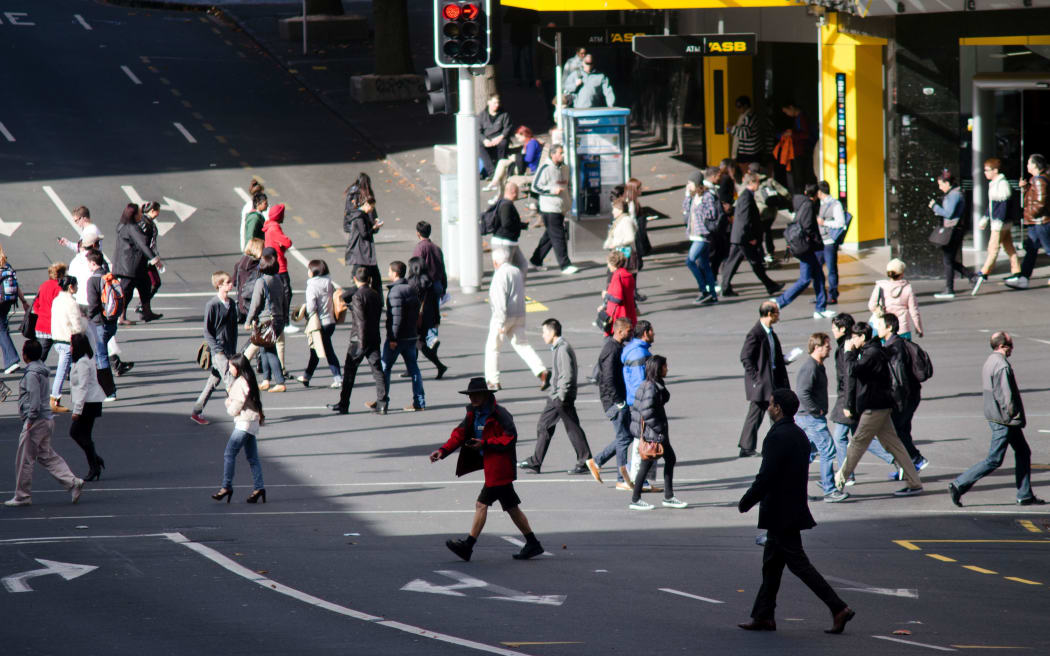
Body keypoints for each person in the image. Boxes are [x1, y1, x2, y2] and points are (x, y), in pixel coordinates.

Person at [737, 389, 855, 634]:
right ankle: (763, 616)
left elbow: (766, 476)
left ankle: (838, 608)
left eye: (771, 404)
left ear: (778, 408)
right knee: (771, 566)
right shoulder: (798, 434)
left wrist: (747, 501)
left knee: (799, 565)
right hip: (791, 509)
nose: (768, 407)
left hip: (781, 513)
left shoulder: (777, 436)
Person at [430, 377, 545, 562]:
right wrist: (442, 451)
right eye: (470, 395)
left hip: (500, 467)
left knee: (481, 504)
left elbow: (510, 438)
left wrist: (485, 443)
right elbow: (459, 434)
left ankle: (468, 546)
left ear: (485, 394)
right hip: (492, 467)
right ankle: (533, 543)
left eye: (476, 395)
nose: (473, 398)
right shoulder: (472, 413)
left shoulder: (500, 414)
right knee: (511, 507)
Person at [949, 332, 1044, 506]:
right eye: (1011, 345)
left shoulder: (990, 361)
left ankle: (1025, 494)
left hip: (997, 416)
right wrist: (1014, 414)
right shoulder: (1002, 366)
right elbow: (1006, 398)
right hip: (1004, 419)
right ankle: (959, 484)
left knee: (1023, 451)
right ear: (1002, 346)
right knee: (994, 459)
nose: (1012, 349)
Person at [833, 322, 922, 495]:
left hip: (874, 407)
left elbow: (851, 370)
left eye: (854, 337)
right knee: (894, 445)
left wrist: (848, 352)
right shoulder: (872, 351)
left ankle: (838, 482)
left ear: (862, 337)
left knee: (857, 443)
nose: (851, 340)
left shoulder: (872, 353)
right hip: (880, 405)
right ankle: (914, 482)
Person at [4, 340, 84, 507]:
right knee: (46, 456)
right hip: (46, 419)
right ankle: (72, 481)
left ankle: (22, 495)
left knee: (24, 459)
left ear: (25, 356)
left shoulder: (32, 375)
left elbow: (33, 401)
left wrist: (29, 421)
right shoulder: (41, 370)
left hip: (36, 422)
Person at [517, 319, 599, 480]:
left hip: (561, 396)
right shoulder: (557, 347)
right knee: (544, 425)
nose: (542, 336)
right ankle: (536, 461)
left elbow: (567, 375)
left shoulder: (562, 349)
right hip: (555, 395)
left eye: (544, 332)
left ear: (553, 332)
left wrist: (560, 395)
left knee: (572, 428)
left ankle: (584, 462)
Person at [828, 313, 895, 484]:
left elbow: (849, 377)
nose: (832, 331)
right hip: (855, 397)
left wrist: (848, 403)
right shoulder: (851, 346)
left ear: (843, 329)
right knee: (861, 436)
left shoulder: (847, 348)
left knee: (841, 437)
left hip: (849, 397)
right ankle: (897, 461)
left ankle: (846, 475)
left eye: (835, 328)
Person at [627, 356, 687, 510]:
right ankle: (636, 499)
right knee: (645, 465)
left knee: (670, 459)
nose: (667, 369)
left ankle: (668, 496)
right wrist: (659, 429)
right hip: (653, 434)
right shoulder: (651, 387)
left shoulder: (651, 385)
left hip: (654, 433)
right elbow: (647, 412)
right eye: (665, 366)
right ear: (658, 369)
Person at [484, 248, 548, 391]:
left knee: (493, 348)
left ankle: (493, 380)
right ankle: (541, 371)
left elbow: (499, 300)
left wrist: (500, 322)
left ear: (495, 262)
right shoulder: (516, 271)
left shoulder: (499, 275)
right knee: (522, 344)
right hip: (519, 314)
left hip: (503, 317)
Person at [795, 333, 846, 502]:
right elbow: (802, 392)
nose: (829, 348)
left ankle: (795, 491)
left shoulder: (817, 365)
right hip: (811, 418)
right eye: (826, 346)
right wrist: (816, 411)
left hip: (808, 417)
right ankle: (830, 490)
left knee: (806, 455)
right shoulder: (810, 367)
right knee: (828, 450)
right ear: (816, 347)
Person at [328, 268, 385, 415]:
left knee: (349, 373)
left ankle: (343, 404)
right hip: (374, 338)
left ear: (355, 279)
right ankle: (383, 403)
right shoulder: (375, 294)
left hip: (359, 340)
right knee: (377, 371)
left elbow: (360, 321)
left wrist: (361, 342)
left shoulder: (358, 296)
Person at [211, 354, 267, 505]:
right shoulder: (249, 380)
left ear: (238, 367)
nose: (230, 369)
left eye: (232, 366)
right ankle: (259, 488)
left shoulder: (241, 383)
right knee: (252, 458)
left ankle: (226, 486)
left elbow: (236, 406)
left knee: (229, 454)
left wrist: (228, 403)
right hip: (252, 422)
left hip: (244, 422)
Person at [738, 301, 790, 457]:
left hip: (771, 379)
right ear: (769, 314)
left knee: (770, 412)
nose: (778, 317)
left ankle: (752, 446)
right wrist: (756, 378)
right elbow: (745, 357)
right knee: (761, 412)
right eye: (776, 314)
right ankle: (748, 447)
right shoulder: (756, 333)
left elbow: (771, 354)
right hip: (763, 382)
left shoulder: (769, 332)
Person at [880, 313, 929, 475]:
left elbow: (898, 379)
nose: (877, 329)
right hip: (911, 395)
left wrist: (892, 400)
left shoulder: (894, 348)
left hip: (902, 398)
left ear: (889, 327)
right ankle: (907, 467)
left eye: (880, 325)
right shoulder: (899, 343)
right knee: (903, 430)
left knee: (896, 432)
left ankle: (916, 459)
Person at [720, 173, 783, 297]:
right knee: (754, 263)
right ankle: (770, 285)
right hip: (743, 238)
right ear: (752, 183)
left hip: (739, 236)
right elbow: (744, 219)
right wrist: (750, 237)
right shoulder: (746, 197)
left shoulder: (745, 196)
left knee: (734, 263)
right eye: (757, 182)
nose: (758, 185)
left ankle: (725, 287)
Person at [191, 271, 240, 425]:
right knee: (231, 381)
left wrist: (232, 351)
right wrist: (217, 349)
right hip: (219, 351)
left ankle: (196, 411)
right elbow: (207, 330)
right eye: (227, 282)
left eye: (230, 281)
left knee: (212, 382)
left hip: (229, 350)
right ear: (219, 285)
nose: (231, 284)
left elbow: (233, 329)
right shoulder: (212, 305)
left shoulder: (231, 304)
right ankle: (239, 411)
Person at [774, 184, 830, 318]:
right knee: (805, 279)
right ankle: (780, 302)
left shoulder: (800, 204)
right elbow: (808, 227)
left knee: (819, 277)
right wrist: (817, 240)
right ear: (817, 194)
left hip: (804, 246)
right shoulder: (809, 206)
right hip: (808, 248)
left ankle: (821, 308)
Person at [592, 317, 634, 489]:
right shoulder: (612, 349)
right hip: (613, 401)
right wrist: (619, 402)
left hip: (616, 400)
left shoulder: (617, 347)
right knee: (624, 438)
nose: (630, 333)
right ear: (619, 331)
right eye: (628, 331)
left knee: (625, 436)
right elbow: (608, 378)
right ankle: (620, 478)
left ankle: (597, 462)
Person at [930, 170, 982, 299]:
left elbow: (949, 213)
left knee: (948, 260)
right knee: (950, 260)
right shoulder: (954, 193)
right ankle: (972, 277)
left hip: (953, 231)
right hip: (954, 230)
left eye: (941, 184)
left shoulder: (954, 195)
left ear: (948, 183)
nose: (940, 187)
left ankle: (950, 288)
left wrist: (935, 207)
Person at [84, 249, 129, 399]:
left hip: (99, 324)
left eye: (88, 263)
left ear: (93, 263)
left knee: (101, 357)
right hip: (111, 322)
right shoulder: (109, 276)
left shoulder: (93, 280)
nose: (88, 266)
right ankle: (103, 387)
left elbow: (93, 305)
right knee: (100, 354)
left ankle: (110, 391)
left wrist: (87, 319)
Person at [381, 260, 425, 412]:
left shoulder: (395, 292)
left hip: (398, 338)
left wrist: (392, 338)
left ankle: (382, 400)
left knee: (385, 368)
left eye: (389, 271)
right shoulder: (411, 289)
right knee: (414, 369)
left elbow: (396, 317)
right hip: (411, 336)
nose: (388, 274)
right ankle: (419, 402)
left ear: (394, 273)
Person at [529, 145, 578, 275]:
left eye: (563, 153)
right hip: (549, 207)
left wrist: (569, 200)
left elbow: (568, 185)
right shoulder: (545, 168)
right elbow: (535, 187)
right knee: (558, 236)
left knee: (550, 235)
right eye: (560, 153)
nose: (563, 155)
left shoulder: (565, 168)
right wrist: (551, 190)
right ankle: (565, 265)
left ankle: (536, 259)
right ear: (553, 155)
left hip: (561, 207)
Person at [112, 203, 163, 326]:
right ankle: (121, 317)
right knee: (126, 292)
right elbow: (143, 244)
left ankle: (146, 312)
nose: (142, 214)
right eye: (139, 213)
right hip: (130, 267)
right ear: (134, 215)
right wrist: (155, 259)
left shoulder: (122, 225)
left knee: (146, 285)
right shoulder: (132, 228)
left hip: (134, 265)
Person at [1005, 153, 1050, 289]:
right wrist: (1025, 189)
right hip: (1036, 222)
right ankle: (1023, 278)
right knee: (1031, 249)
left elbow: (1041, 202)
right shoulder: (1035, 180)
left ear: (1036, 165)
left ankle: (1023, 278)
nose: (1027, 166)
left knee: (1046, 248)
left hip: (1040, 222)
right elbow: (1033, 199)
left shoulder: (1039, 180)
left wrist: (1031, 214)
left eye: (1029, 163)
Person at [297, 260, 342, 388]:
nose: (308, 272)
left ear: (314, 272)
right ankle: (306, 376)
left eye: (309, 269)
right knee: (315, 350)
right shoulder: (328, 282)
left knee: (327, 350)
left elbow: (311, 307)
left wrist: (305, 311)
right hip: (330, 321)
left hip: (319, 323)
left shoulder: (312, 286)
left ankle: (338, 377)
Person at [246, 252, 287, 393]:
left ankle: (280, 381)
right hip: (278, 318)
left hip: (266, 320)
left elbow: (255, 304)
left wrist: (248, 320)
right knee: (263, 348)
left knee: (270, 350)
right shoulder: (278, 279)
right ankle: (266, 379)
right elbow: (284, 299)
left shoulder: (261, 281)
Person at [68, 332, 106, 482]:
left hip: (88, 403)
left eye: (71, 345)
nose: (70, 348)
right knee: (84, 435)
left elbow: (83, 387)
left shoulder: (83, 363)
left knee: (76, 432)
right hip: (91, 402)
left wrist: (77, 410)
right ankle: (95, 461)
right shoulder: (85, 359)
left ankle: (94, 464)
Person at [411, 221, 449, 361]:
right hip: (437, 284)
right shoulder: (436, 248)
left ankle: (427, 340)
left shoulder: (420, 248)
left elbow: (416, 268)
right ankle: (433, 338)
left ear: (418, 233)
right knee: (434, 312)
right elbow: (442, 268)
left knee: (421, 313)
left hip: (424, 285)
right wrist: (444, 287)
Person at [343, 173, 384, 301]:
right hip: (363, 248)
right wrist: (374, 227)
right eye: (371, 207)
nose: (372, 209)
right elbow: (365, 233)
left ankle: (351, 297)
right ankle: (346, 297)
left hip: (358, 246)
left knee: (364, 275)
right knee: (369, 277)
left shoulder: (351, 196)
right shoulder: (361, 214)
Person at [683, 167, 722, 304]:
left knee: (690, 261)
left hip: (703, 235)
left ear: (697, 183)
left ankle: (703, 290)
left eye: (690, 183)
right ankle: (712, 294)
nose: (688, 186)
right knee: (705, 265)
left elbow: (711, 214)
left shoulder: (707, 196)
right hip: (695, 235)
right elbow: (686, 210)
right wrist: (688, 196)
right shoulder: (695, 197)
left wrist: (700, 211)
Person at [978, 158, 1021, 278]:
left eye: (987, 170)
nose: (985, 173)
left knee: (993, 248)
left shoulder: (1001, 184)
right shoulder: (995, 183)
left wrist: (998, 221)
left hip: (999, 223)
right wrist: (985, 219)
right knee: (1009, 247)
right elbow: (993, 205)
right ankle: (1017, 270)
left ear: (995, 170)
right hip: (1002, 222)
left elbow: (1003, 205)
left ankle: (984, 272)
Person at [407, 256, 447, 379]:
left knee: (417, 343)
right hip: (428, 317)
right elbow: (435, 302)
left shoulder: (413, 282)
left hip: (416, 318)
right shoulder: (430, 281)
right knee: (418, 343)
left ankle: (437, 365)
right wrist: (437, 319)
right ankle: (436, 365)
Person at [49, 277, 83, 414]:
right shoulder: (71, 303)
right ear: (70, 287)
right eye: (76, 285)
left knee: (70, 368)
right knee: (63, 371)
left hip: (57, 338)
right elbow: (77, 324)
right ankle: (54, 398)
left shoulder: (57, 300)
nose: (77, 287)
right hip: (67, 340)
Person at [867, 259, 923, 340]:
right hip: (903, 329)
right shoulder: (907, 288)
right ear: (902, 274)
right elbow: (914, 311)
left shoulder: (880, 286)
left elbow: (871, 306)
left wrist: (879, 311)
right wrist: (918, 327)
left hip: (885, 328)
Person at [262, 203, 295, 331]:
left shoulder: (269, 225)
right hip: (280, 265)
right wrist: (283, 247)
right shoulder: (275, 228)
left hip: (275, 263)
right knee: (286, 294)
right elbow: (287, 241)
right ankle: (285, 322)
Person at [0, 244, 32, 374]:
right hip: (7, 302)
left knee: (2, 331)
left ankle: (11, 360)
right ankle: (10, 360)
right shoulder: (7, 265)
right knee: (2, 328)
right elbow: (16, 285)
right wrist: (24, 301)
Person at [751, 162, 791, 264]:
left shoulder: (753, 181)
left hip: (760, 212)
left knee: (760, 232)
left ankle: (763, 253)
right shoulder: (769, 180)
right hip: (772, 212)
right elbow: (785, 192)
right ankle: (770, 252)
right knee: (767, 231)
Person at [490, 183, 531, 281]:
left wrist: (522, 225)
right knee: (502, 272)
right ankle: (500, 294)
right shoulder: (506, 205)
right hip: (503, 243)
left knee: (522, 265)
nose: (518, 195)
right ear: (513, 192)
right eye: (517, 192)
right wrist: (519, 225)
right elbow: (506, 223)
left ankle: (518, 292)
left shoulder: (504, 203)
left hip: (510, 242)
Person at [815, 181, 845, 305]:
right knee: (817, 268)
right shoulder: (820, 203)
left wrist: (824, 223)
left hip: (830, 242)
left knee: (831, 269)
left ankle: (833, 295)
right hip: (820, 241)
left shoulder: (835, 204)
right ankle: (821, 295)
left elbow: (840, 223)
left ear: (820, 192)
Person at [31, 262, 67, 362]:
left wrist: (41, 314)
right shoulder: (60, 288)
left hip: (42, 325)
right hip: (56, 326)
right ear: (61, 274)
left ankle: (33, 374)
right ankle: (68, 373)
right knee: (66, 354)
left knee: (40, 357)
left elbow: (36, 305)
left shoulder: (43, 286)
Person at [779, 102, 815, 194]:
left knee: (801, 178)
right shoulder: (798, 118)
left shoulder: (802, 118)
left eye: (787, 111)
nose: (787, 114)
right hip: (798, 151)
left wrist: (792, 134)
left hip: (802, 152)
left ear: (791, 107)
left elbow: (806, 134)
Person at [137, 201, 163, 317]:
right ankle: (142, 307)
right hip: (147, 260)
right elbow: (150, 245)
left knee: (149, 284)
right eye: (158, 211)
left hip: (143, 258)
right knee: (154, 282)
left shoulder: (142, 222)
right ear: (153, 211)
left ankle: (145, 309)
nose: (158, 213)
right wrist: (155, 259)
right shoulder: (148, 224)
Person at [601, 250, 636, 335]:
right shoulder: (628, 275)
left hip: (618, 316)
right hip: (629, 313)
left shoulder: (617, 276)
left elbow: (618, 298)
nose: (608, 266)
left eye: (608, 263)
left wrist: (606, 295)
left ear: (612, 263)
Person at [479, 94, 513, 180]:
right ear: (489, 103)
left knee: (503, 144)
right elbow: (478, 131)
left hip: (499, 138)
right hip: (487, 139)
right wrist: (484, 140)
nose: (496, 105)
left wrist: (500, 137)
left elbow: (507, 128)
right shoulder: (482, 115)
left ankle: (500, 169)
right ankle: (492, 173)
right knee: (479, 145)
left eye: (498, 103)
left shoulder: (504, 114)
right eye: (494, 103)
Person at [234, 238, 264, 318]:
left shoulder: (239, 265)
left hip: (241, 303)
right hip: (254, 303)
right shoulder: (259, 267)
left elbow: (234, 282)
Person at [728, 96, 763, 165]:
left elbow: (745, 134)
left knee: (746, 172)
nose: (737, 109)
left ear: (746, 105)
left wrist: (732, 128)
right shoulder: (747, 115)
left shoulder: (748, 117)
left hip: (748, 153)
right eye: (736, 107)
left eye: (739, 106)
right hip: (749, 151)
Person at [241, 181, 266, 250]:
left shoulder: (247, 206)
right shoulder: (255, 214)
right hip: (253, 249)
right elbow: (251, 234)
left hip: (248, 245)